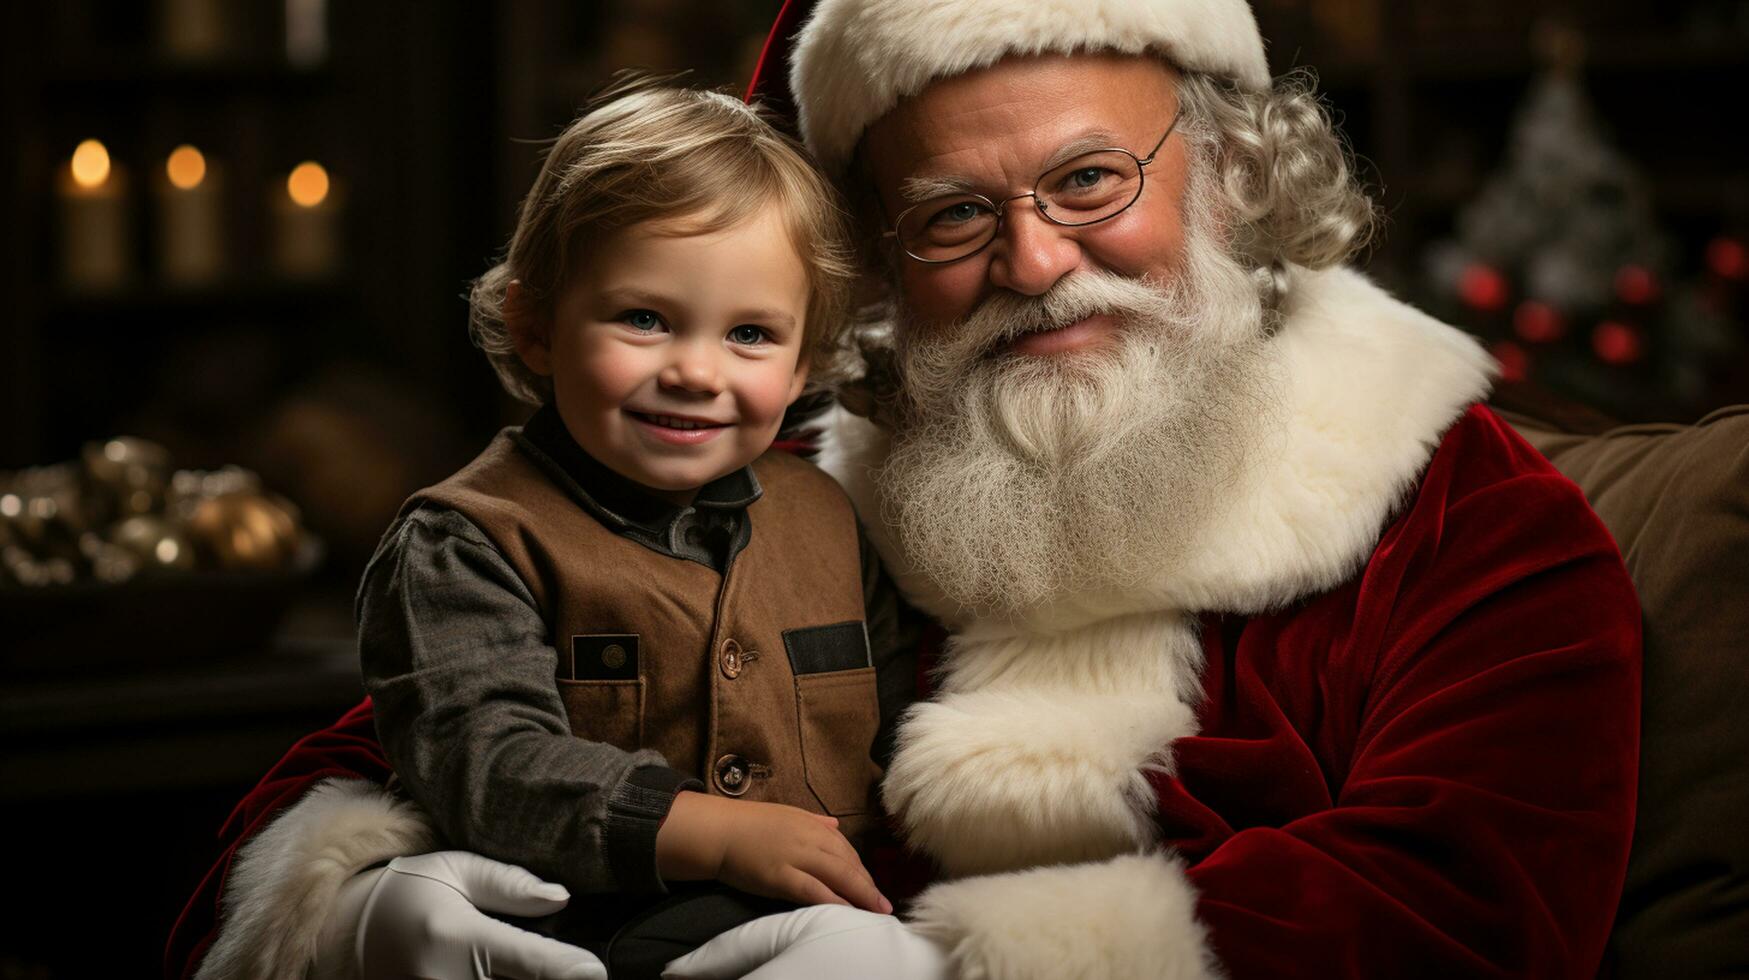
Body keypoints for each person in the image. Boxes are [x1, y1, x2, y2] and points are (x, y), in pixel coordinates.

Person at [170, 1, 1642, 977]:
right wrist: (351, 910)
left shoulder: (1458, 516)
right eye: (951, 214)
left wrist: (959, 964)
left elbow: (1476, 909)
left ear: (1230, 172)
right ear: (871, 268)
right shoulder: (770, 494)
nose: (1034, 261)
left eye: (1088, 181)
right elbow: (401, 733)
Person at [173, 73, 925, 980]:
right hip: (577, 932)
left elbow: (897, 730)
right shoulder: (466, 539)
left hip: (825, 918)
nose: (695, 370)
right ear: (535, 326)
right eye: (644, 319)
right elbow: (483, 760)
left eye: (750, 335)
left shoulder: (827, 516)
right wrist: (703, 829)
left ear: (805, 357)